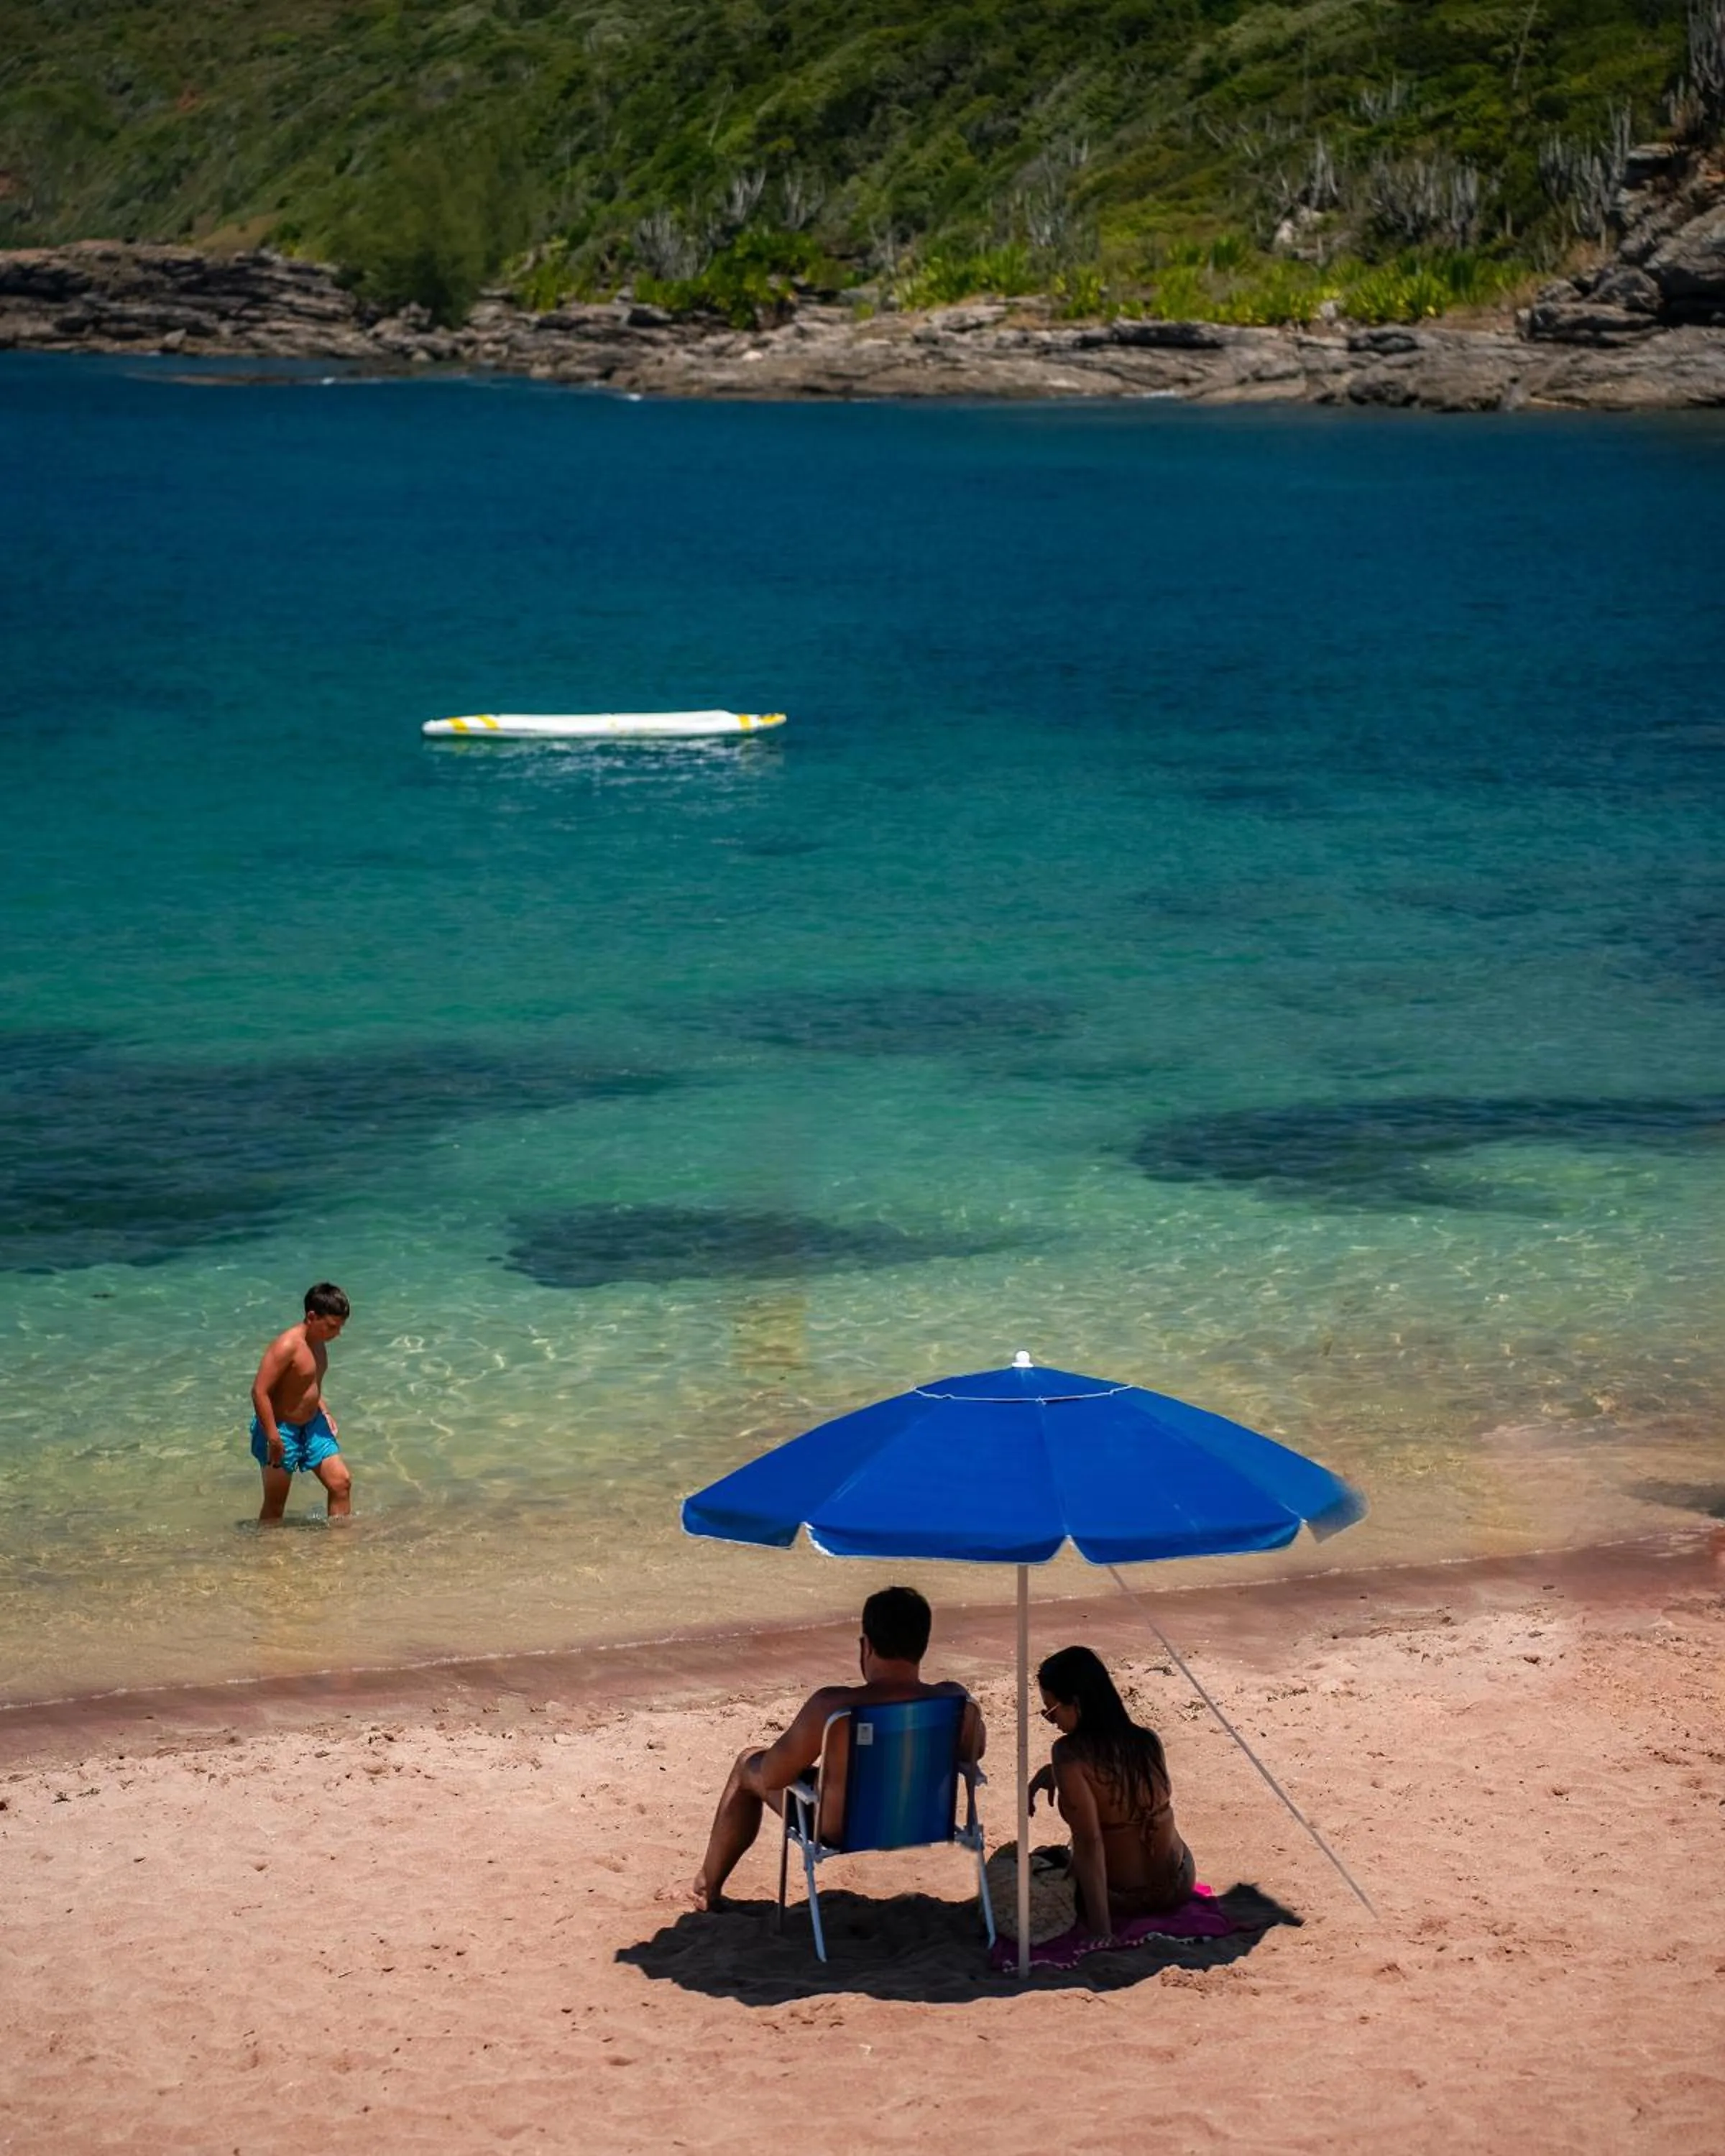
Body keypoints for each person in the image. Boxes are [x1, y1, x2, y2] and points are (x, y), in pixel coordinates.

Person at [691, 1584, 984, 1910]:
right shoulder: (957, 1703)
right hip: (923, 1820)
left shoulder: (834, 1708)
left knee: (749, 1765)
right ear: (923, 1645)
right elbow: (975, 1751)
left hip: (843, 1829)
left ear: (866, 1647)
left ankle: (707, 1887)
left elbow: (773, 1776)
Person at [1028, 1644, 1195, 1940]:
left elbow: (1090, 1843)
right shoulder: (1147, 1741)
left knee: (1042, 1863)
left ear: (1076, 1703)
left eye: (1051, 1713)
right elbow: (1118, 1786)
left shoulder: (1068, 1755)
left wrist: (1101, 1931)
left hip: (1120, 1897)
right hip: (1179, 1883)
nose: (1052, 1723)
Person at [249, 1283, 352, 1524]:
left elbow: (308, 1385)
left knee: (341, 1483)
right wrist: (273, 1438)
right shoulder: (287, 1346)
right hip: (281, 1429)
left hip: (313, 1424)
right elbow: (259, 1391)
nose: (337, 1334)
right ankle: (268, 1558)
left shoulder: (318, 1342)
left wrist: (324, 1411)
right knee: (276, 1507)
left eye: (340, 1327)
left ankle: (339, 1552)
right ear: (312, 1316)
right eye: (332, 1326)